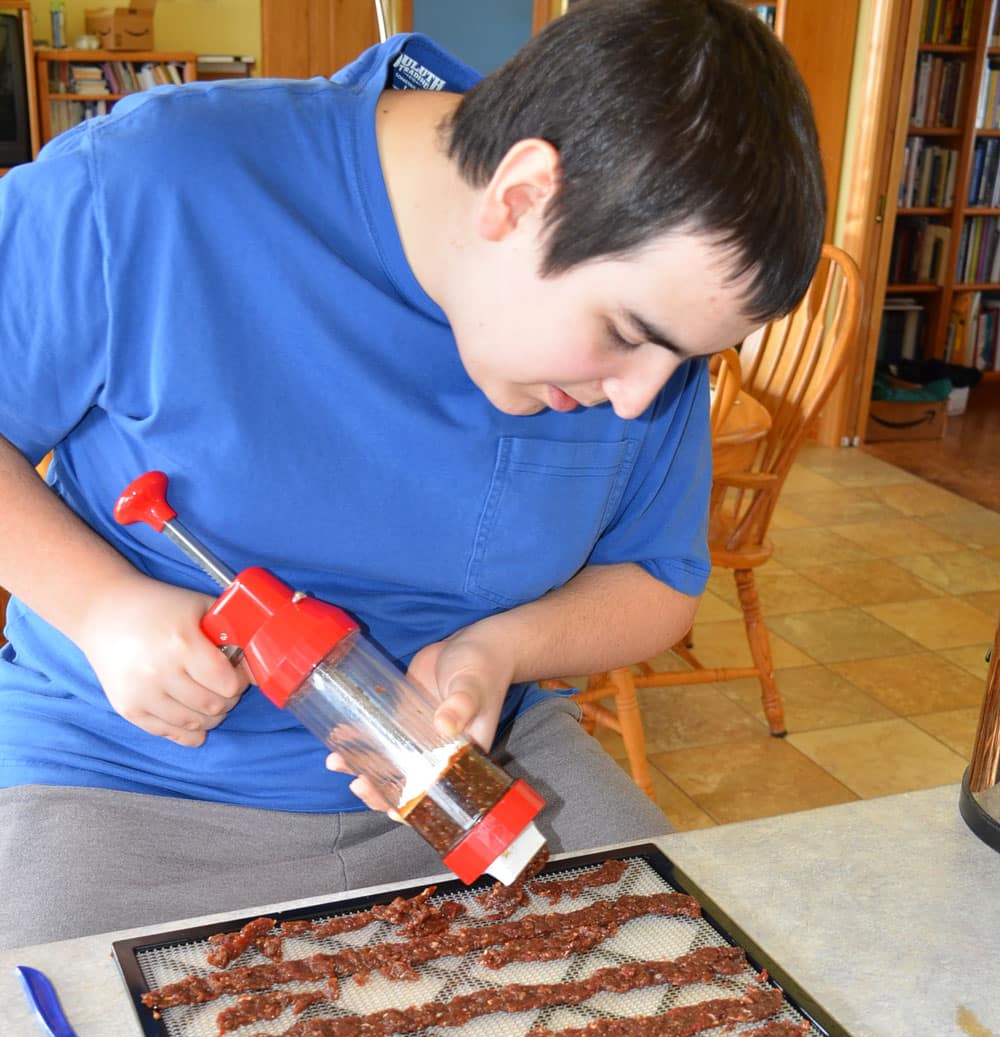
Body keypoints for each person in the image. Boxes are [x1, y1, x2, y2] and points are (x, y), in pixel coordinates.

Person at [0, 0, 825, 949]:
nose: (642, 399)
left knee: (704, 1026)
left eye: (678, 361)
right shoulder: (150, 184)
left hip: (490, 783)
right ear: (519, 199)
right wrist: (102, 605)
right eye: (629, 337)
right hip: (126, 787)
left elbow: (658, 581)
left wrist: (501, 651)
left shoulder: (639, 356)